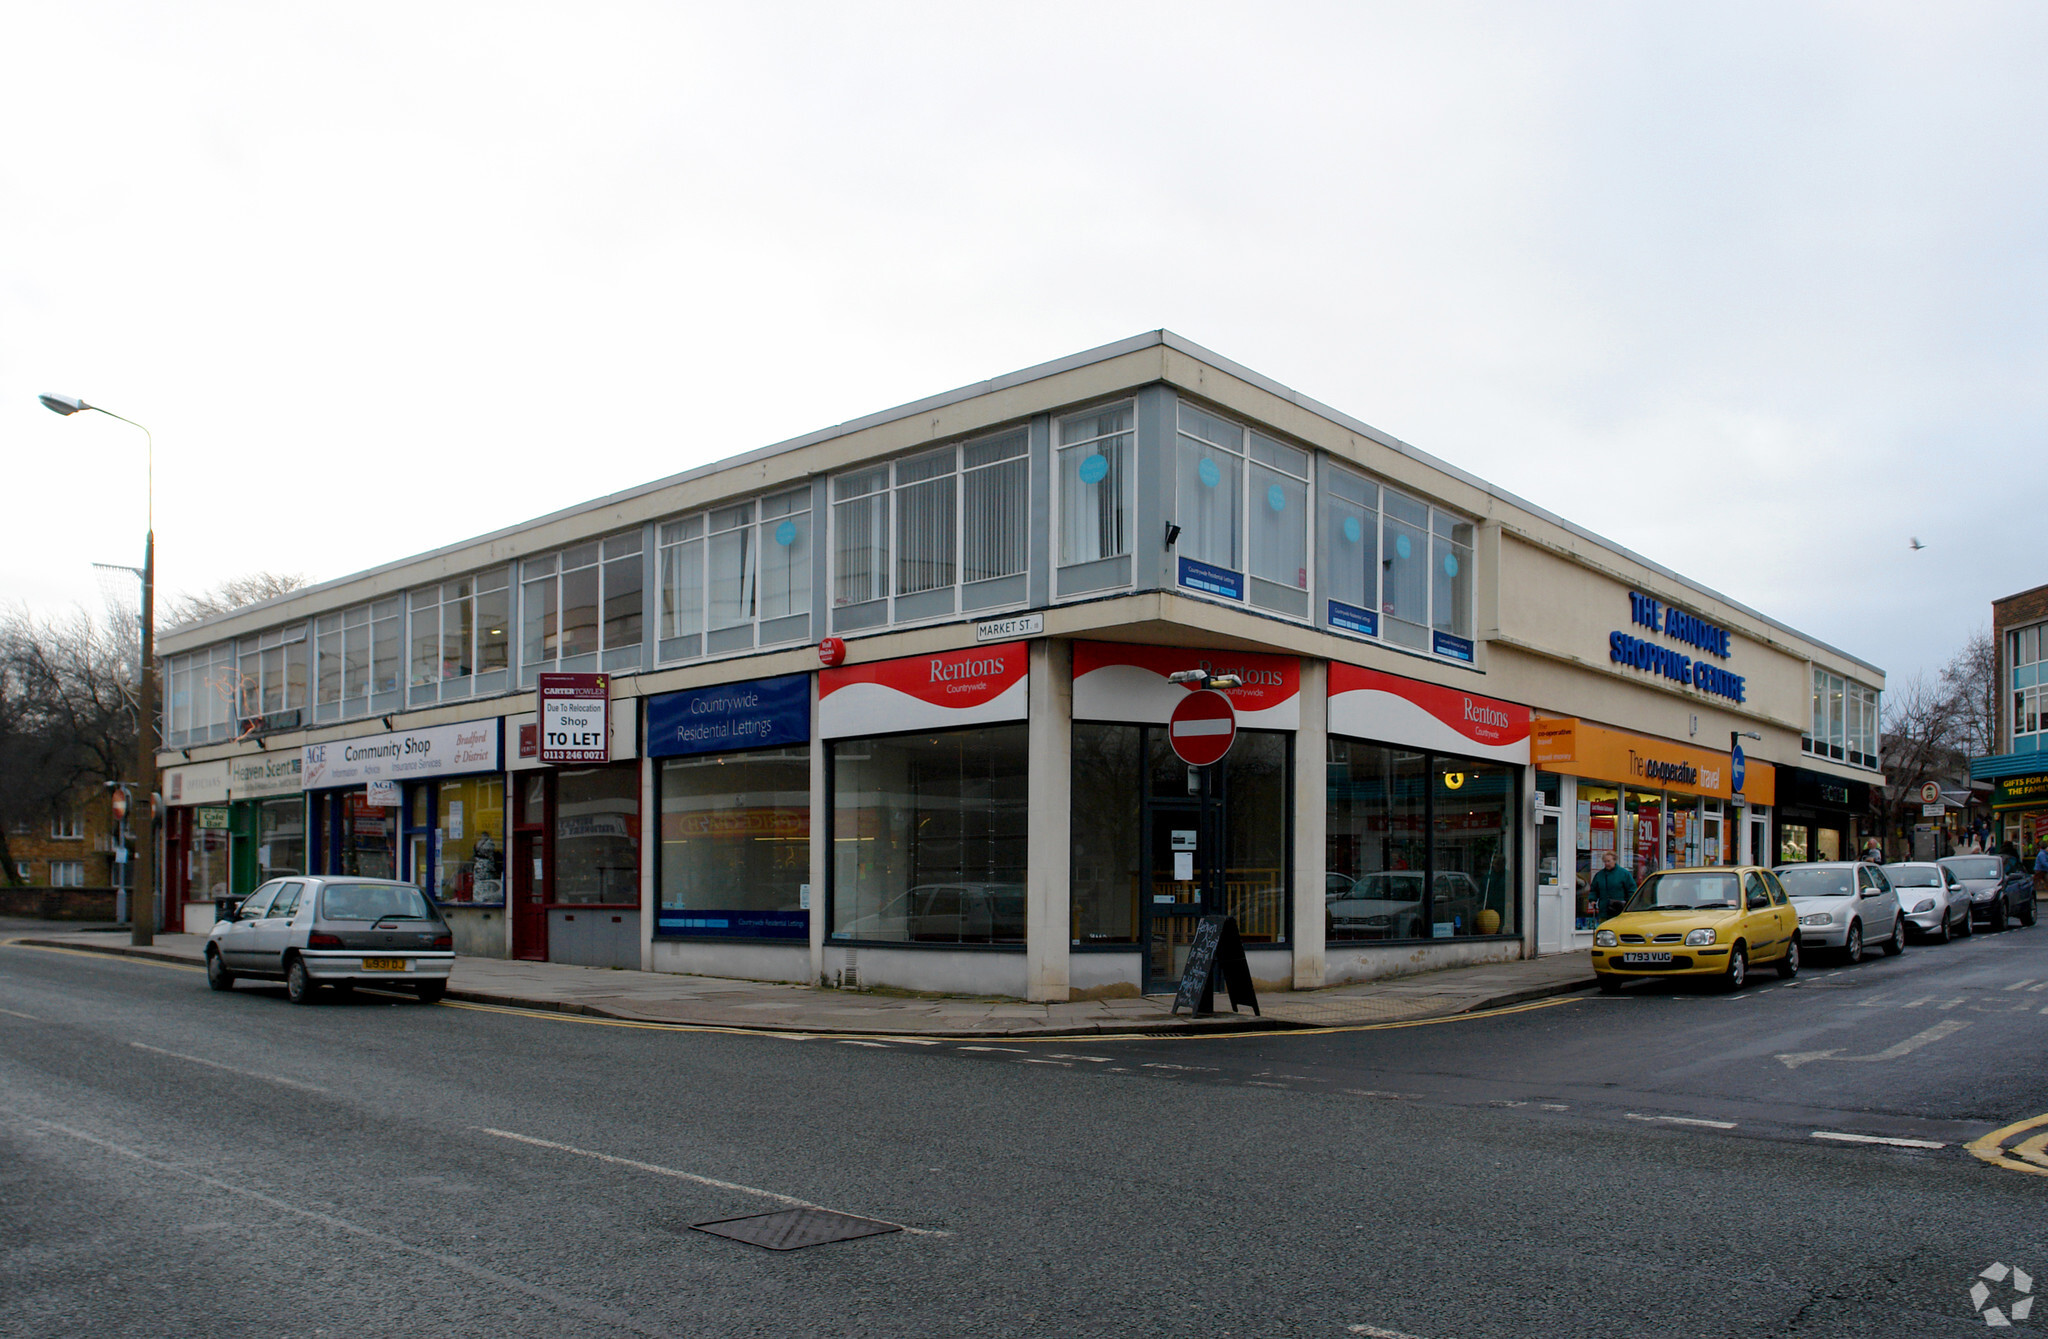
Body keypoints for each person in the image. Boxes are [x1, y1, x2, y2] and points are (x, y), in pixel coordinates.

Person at [1590, 850, 1636, 921]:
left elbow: (1631, 890)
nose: (1606, 864)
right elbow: (1594, 889)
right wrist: (1592, 900)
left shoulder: (1624, 874)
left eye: (1608, 861)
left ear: (1614, 860)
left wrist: (1629, 905)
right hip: (1604, 910)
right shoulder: (1599, 875)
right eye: (1605, 861)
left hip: (1619, 911)